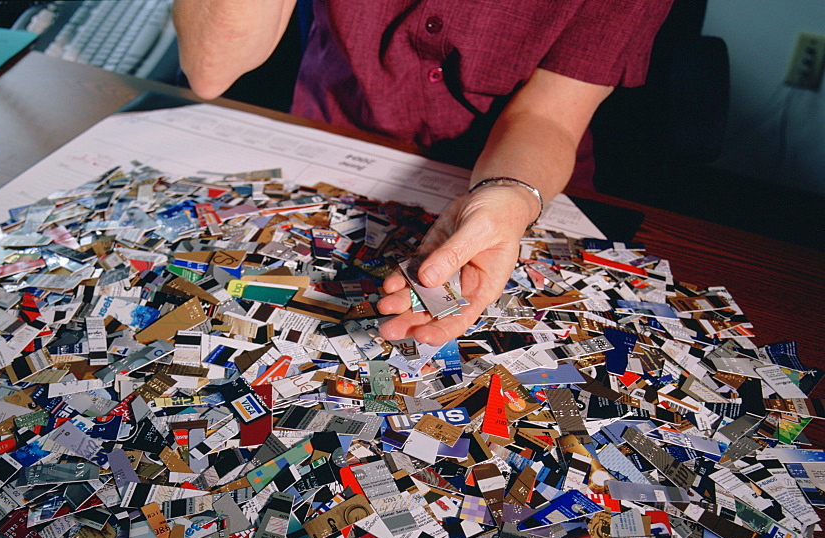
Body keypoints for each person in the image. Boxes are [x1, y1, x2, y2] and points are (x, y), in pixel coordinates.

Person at [172, 0, 674, 346]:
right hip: (331, 151)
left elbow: (550, 116)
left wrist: (511, 197)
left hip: (523, 171)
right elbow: (210, 68)